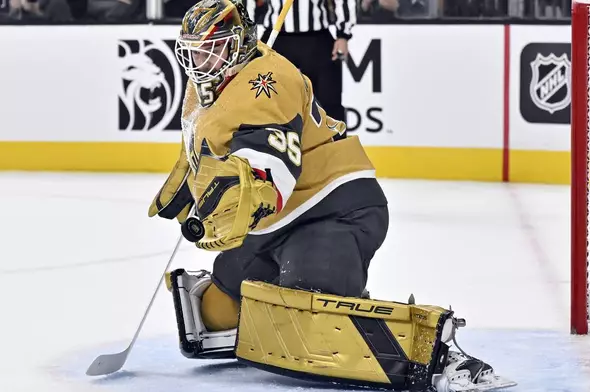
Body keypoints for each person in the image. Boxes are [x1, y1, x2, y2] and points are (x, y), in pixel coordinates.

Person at [148, 1, 515, 391]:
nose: (200, 60)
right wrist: (194, 188)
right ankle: (304, 289)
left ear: (237, 44)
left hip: (334, 206)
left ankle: (438, 356)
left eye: (211, 48)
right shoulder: (206, 84)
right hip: (277, 223)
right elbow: (209, 148)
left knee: (315, 316)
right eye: (194, 51)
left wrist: (234, 200)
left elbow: (273, 172)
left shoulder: (270, 80)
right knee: (216, 314)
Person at [244, 0, 351, 123]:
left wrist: (343, 35)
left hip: (317, 39)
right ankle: (268, 140)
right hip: (276, 38)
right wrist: (248, 37)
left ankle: (335, 141)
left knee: (329, 101)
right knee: (267, 100)